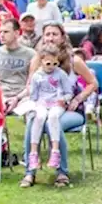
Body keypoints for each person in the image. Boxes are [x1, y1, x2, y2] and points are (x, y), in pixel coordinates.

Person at [24, 44, 69, 172]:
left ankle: (55, 150)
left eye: (55, 64)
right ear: (42, 61)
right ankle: (33, 153)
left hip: (56, 103)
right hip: (42, 103)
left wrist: (64, 99)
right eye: (48, 63)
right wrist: (33, 102)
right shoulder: (37, 76)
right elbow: (33, 95)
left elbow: (68, 92)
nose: (52, 67)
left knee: (53, 117)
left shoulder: (61, 74)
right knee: (39, 117)